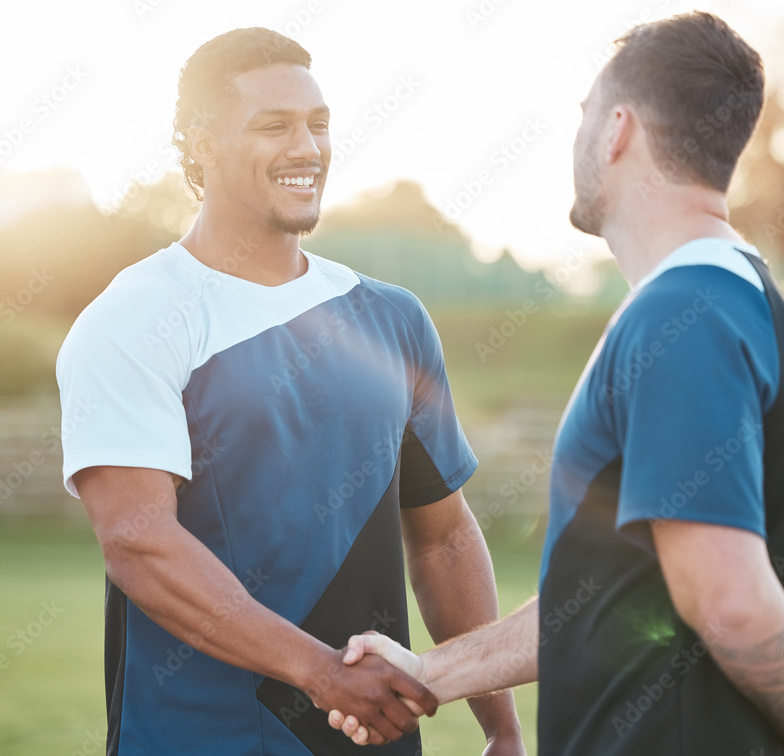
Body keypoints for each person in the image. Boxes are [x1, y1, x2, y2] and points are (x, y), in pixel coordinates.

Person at [329, 12, 784, 756]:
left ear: (617, 130)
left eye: (584, 115)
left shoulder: (686, 316)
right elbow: (600, 598)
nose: (577, 137)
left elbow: (725, 595)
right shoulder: (729, 297)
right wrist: (429, 670)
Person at [56, 27, 523, 756]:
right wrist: (322, 673)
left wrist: (501, 727)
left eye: (319, 125)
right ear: (200, 144)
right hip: (197, 739)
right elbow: (139, 542)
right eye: (274, 126)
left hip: (376, 739)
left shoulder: (392, 319)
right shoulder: (133, 318)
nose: (307, 148)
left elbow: (444, 534)